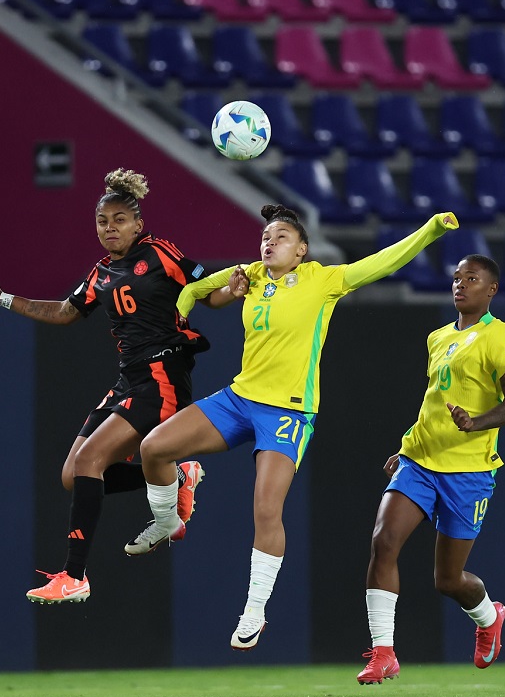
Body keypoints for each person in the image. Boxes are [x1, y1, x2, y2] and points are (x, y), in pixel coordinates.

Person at [124, 204, 460, 651]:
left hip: (288, 411)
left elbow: (384, 262)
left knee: (266, 508)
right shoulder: (251, 275)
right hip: (240, 399)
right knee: (153, 448)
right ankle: (169, 519)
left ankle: (254, 610)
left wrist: (431, 231)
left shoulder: (322, 280)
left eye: (281, 237)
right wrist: (190, 312)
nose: (269, 242)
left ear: (302, 250)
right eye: (265, 236)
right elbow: (195, 289)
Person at [0, 169, 211, 605]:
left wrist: (242, 284)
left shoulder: (159, 252)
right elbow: (65, 311)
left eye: (120, 219)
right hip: (129, 378)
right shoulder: (102, 272)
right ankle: (178, 476)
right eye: (103, 221)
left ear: (138, 223)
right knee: (72, 475)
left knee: (89, 460)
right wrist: (3, 298)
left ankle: (74, 575)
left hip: (162, 375)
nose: (111, 228)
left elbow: (207, 287)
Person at [356, 254, 505, 685]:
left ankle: (489, 616)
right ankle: (383, 652)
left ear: (491, 290)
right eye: (456, 277)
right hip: (420, 462)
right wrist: (406, 445)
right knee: (384, 540)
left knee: (448, 580)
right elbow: (433, 401)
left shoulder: (499, 335)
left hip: (468, 473)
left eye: (472, 278)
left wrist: (475, 423)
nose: (460, 284)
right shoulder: (437, 337)